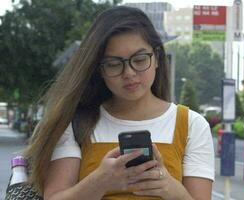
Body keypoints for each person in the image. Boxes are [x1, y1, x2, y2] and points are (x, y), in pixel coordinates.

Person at [24, 5, 214, 200]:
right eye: (114, 64)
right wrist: (100, 181)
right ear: (99, 70)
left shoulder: (192, 125)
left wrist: (168, 186)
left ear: (156, 58)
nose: (129, 73)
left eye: (139, 60)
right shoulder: (75, 123)